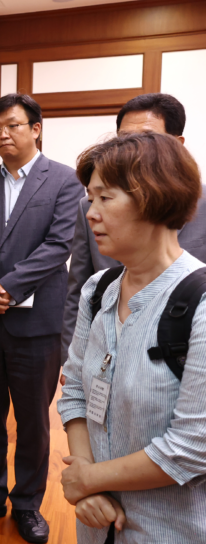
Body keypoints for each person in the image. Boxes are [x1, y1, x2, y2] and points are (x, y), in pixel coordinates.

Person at [60, 94, 206, 544]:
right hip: (99, 532)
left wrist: (84, 480)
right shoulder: (97, 289)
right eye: (89, 196)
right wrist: (89, 485)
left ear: (154, 197)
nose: (90, 211)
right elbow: (74, 388)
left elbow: (194, 445)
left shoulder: (199, 300)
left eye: (105, 198)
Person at [0, 93, 84, 544]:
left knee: (32, 420)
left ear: (36, 128)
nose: (3, 135)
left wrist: (5, 286)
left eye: (13, 125)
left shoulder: (64, 181)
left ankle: (27, 504)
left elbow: (59, 244)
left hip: (36, 325)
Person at [63, 93, 206, 360]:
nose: (132, 148)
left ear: (176, 145)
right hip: (103, 349)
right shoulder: (89, 211)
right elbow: (78, 287)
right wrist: (72, 356)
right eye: (124, 139)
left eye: (146, 138)